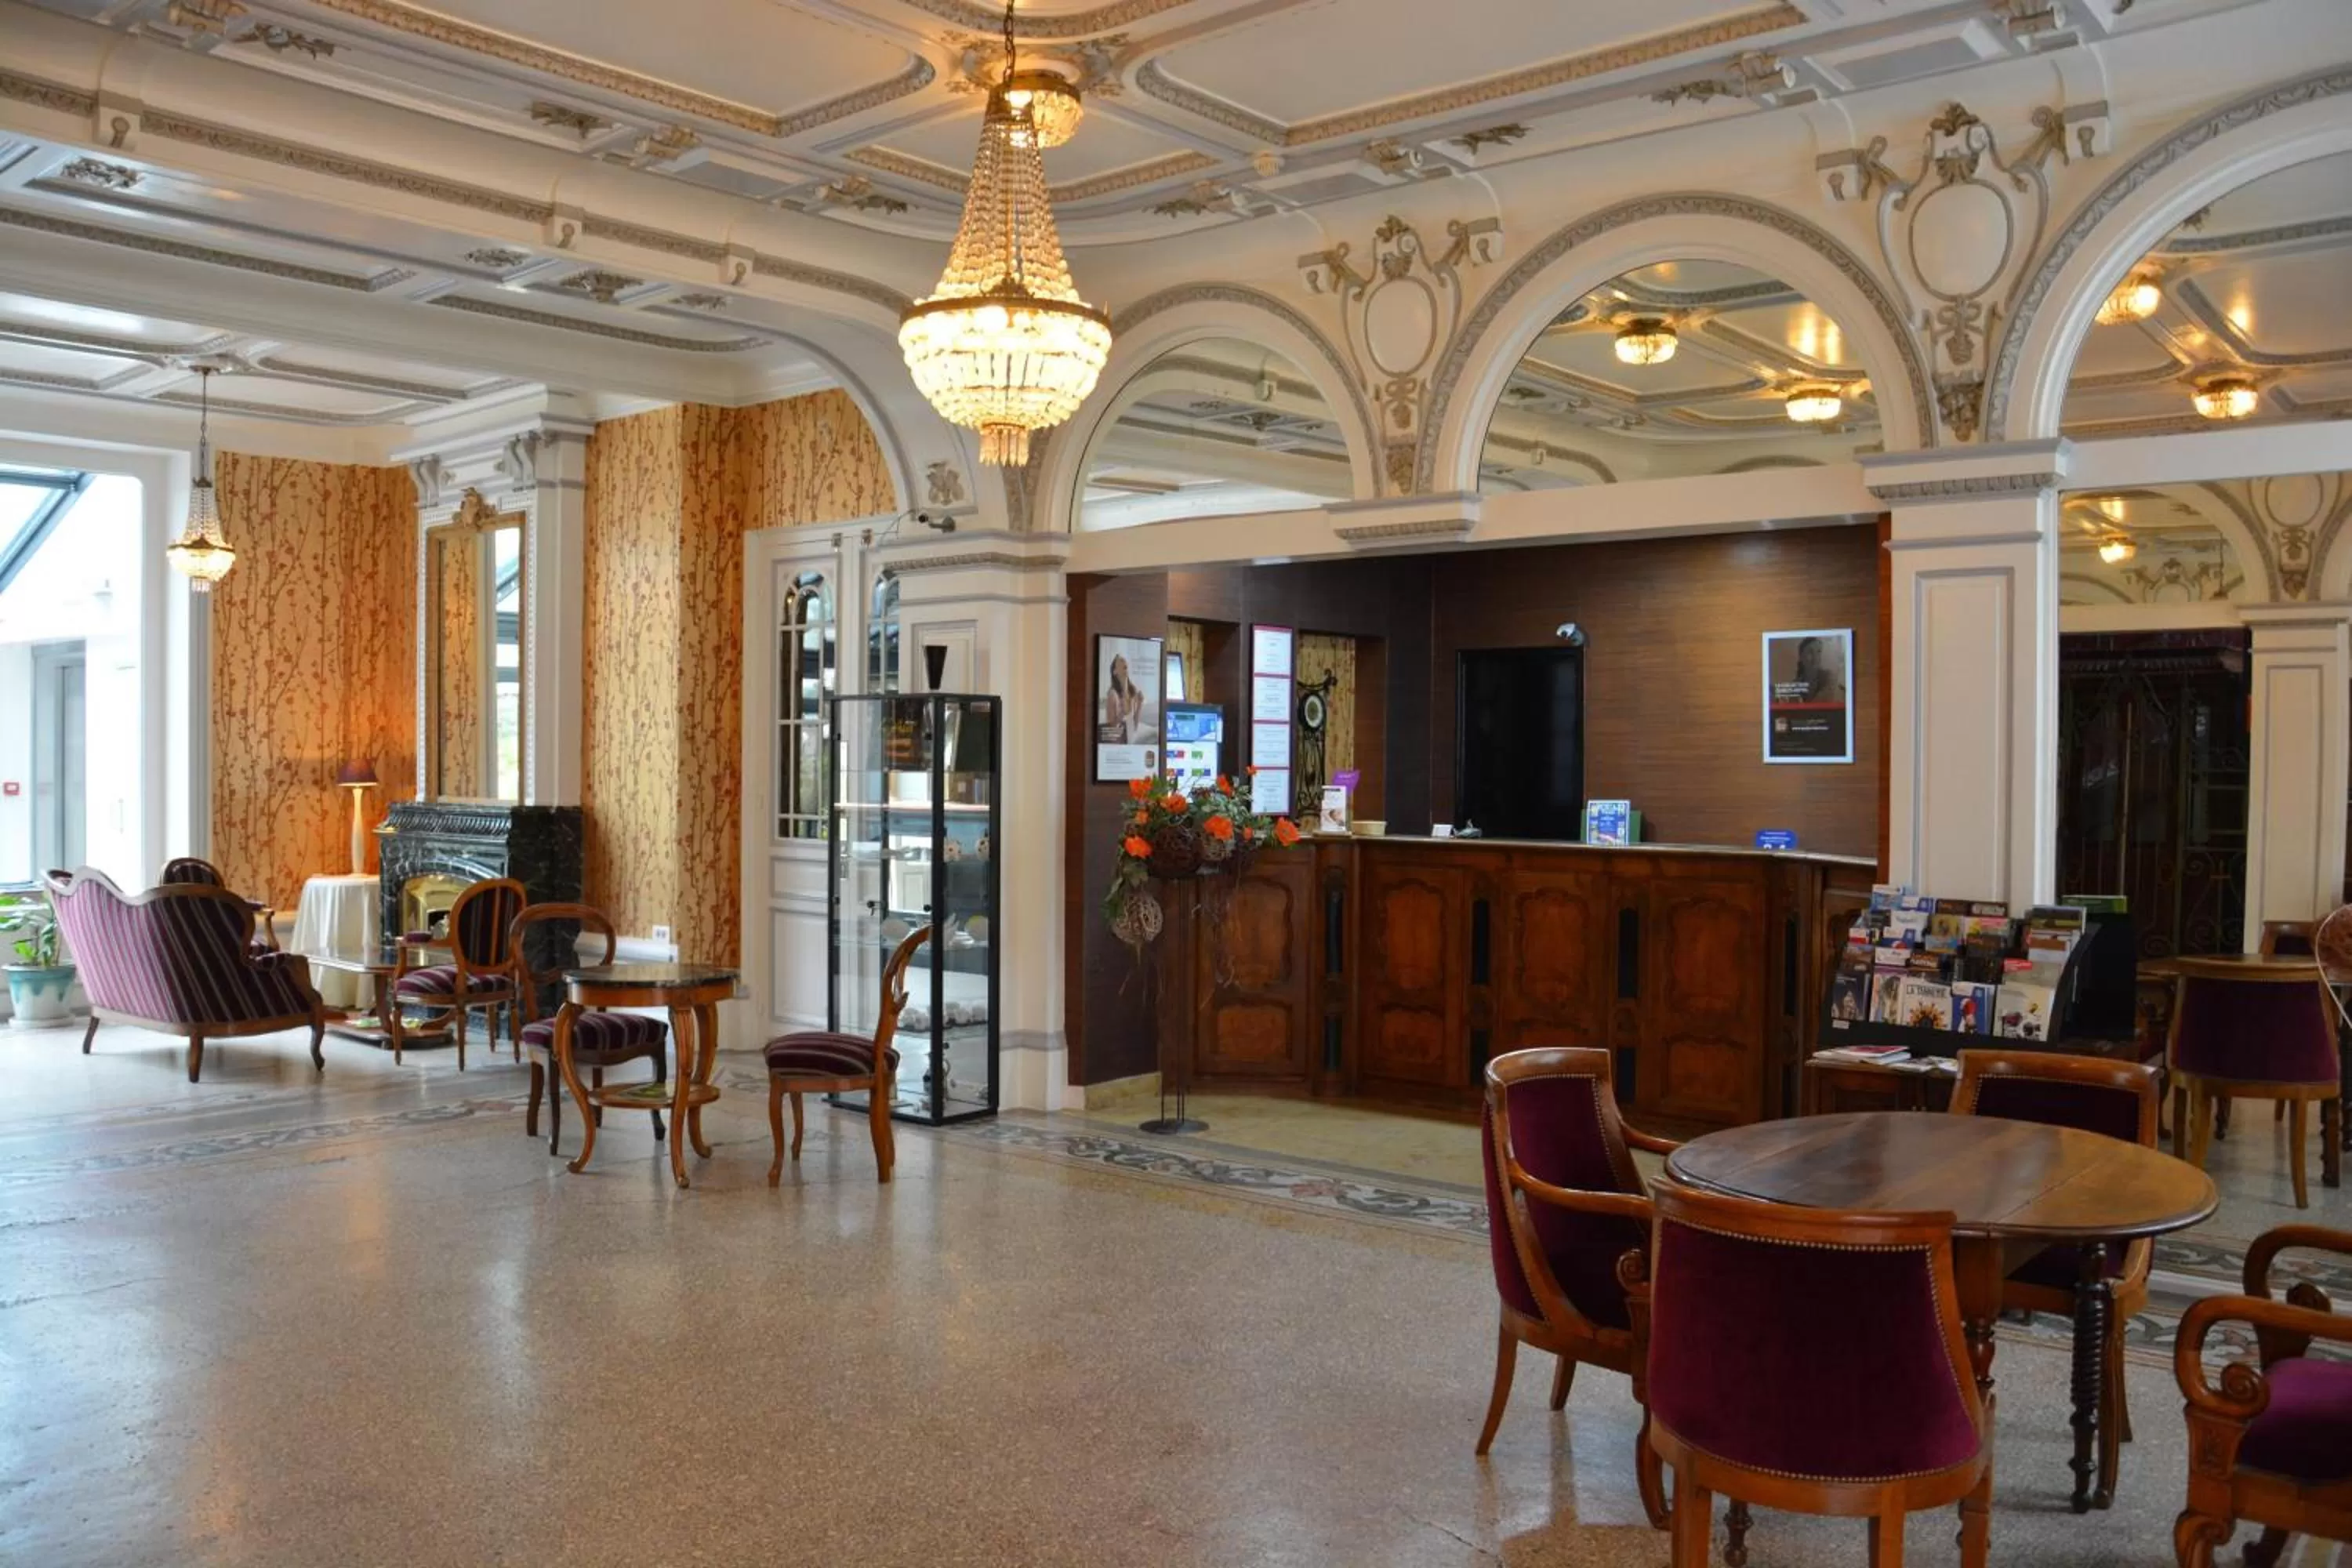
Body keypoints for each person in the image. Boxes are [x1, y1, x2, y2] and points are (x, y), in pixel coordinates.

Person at [1102, 652, 1146, 742]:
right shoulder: (1112, 694)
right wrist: (1122, 713)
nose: (1123, 660)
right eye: (1120, 660)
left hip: (1131, 739)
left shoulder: (1132, 691)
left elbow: (1134, 727)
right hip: (1119, 741)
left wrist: (1140, 705)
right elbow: (1111, 729)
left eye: (1124, 659)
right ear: (1115, 671)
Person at [1793, 635, 1846, 705]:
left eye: (1818, 652)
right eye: (1810, 652)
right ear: (1801, 657)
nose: (1816, 657)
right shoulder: (1795, 685)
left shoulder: (1829, 678)